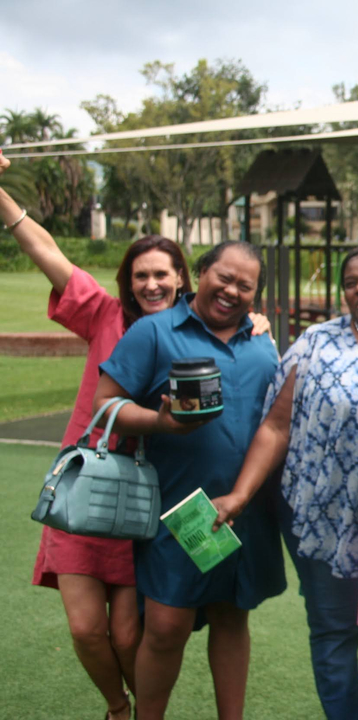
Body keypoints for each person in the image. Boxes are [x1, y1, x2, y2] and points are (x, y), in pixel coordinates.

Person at [2, 151, 258, 720]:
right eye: (140, 275)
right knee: (86, 628)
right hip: (90, 482)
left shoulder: (201, 329)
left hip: (151, 493)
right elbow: (45, 251)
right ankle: (120, 708)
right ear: (127, 281)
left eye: (162, 274)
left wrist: (253, 322)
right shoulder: (104, 314)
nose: (151, 283)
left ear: (182, 278)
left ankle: (143, 709)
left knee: (129, 632)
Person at [213, 244, 358, 720]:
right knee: (333, 634)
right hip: (323, 518)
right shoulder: (317, 343)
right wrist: (241, 493)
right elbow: (276, 427)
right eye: (350, 282)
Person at [92, 241, 286, 720]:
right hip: (178, 507)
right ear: (199, 272)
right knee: (166, 625)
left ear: (256, 293)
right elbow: (105, 404)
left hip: (245, 506)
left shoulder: (262, 341)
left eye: (245, 285)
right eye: (224, 277)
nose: (231, 291)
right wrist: (160, 423)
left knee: (231, 616)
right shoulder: (154, 332)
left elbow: (276, 422)